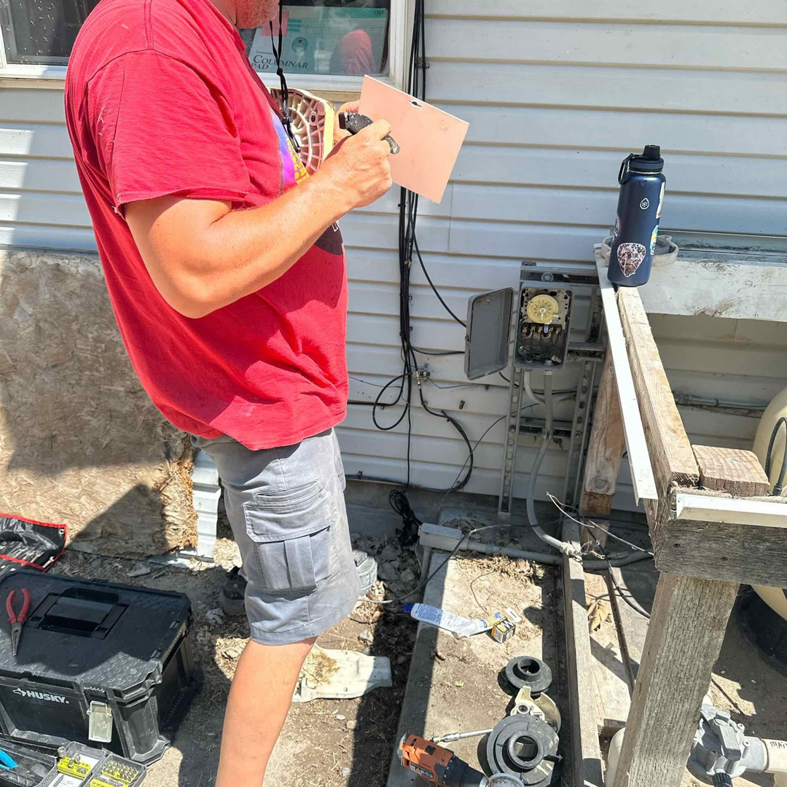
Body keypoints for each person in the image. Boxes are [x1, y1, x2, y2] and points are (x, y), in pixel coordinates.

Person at [64, 0, 393, 784]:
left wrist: (302, 160)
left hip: (262, 380)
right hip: (261, 390)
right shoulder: (152, 51)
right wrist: (335, 188)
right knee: (294, 618)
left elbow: (220, 190)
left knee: (288, 583)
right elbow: (194, 269)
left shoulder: (184, 26)